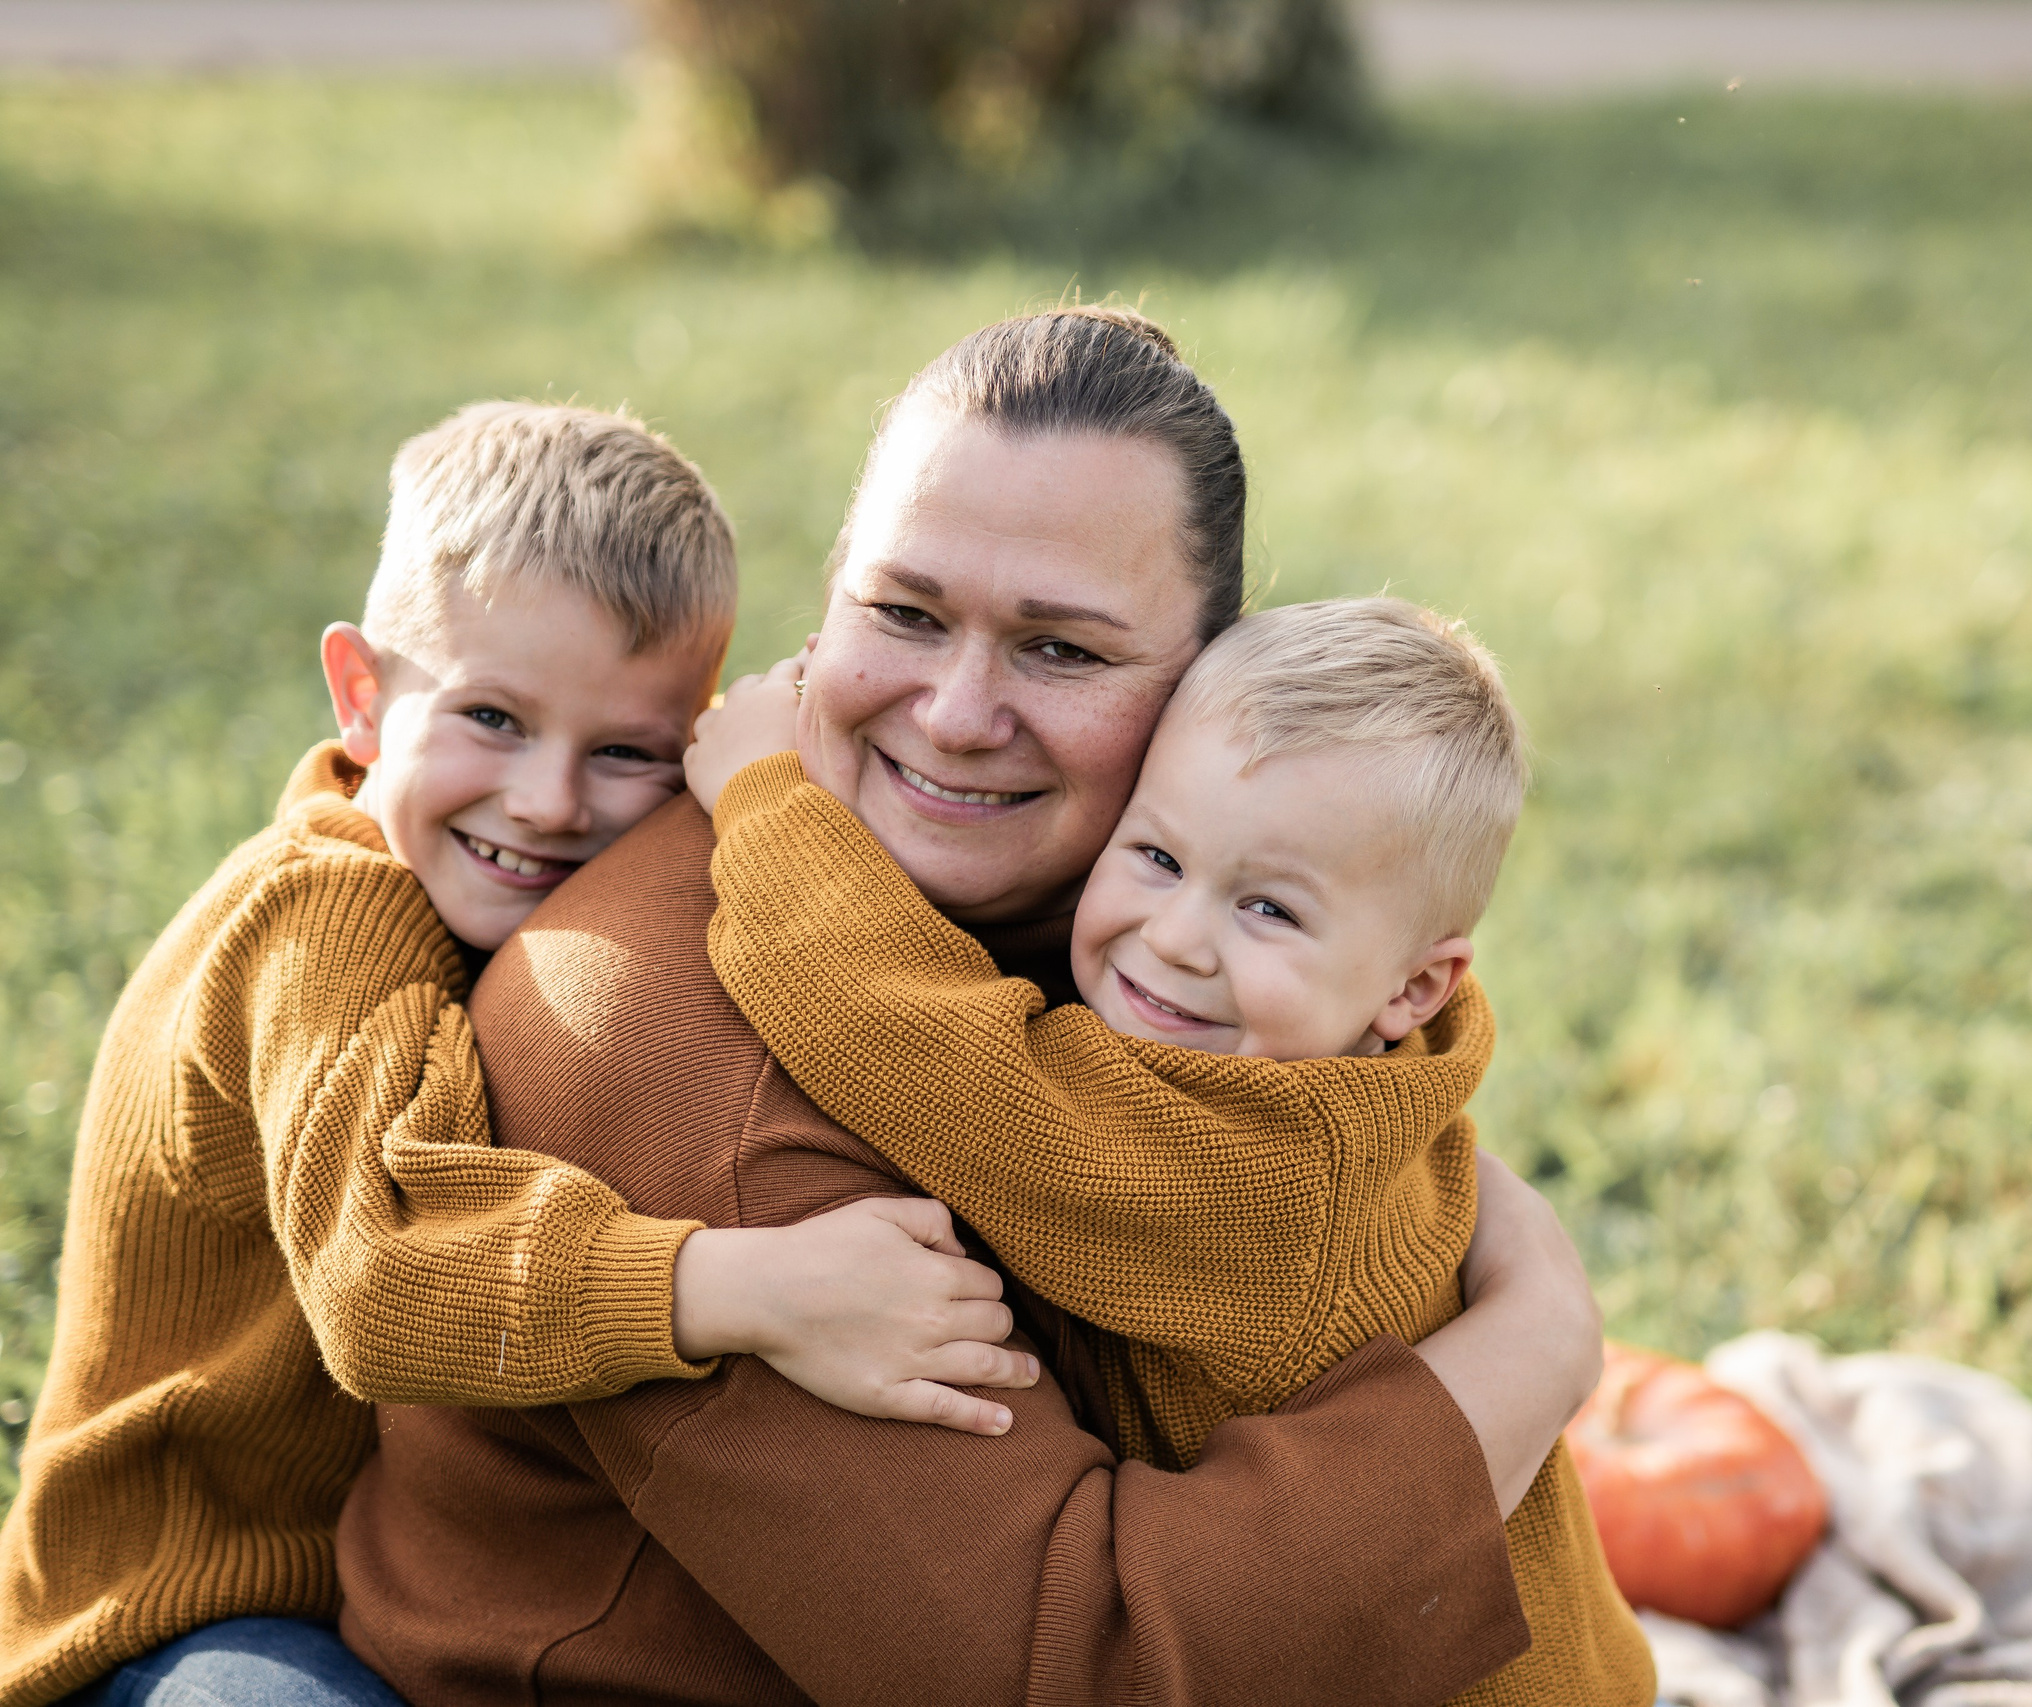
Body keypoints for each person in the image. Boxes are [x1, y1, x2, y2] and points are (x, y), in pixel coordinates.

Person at [334, 307, 1608, 1705]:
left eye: (1061, 648)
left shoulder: (1140, 934)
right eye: (904, 611)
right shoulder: (699, 1071)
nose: (953, 712)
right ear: (827, 604)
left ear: (1202, 684)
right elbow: (1082, 1669)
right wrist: (1534, 1347)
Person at [3, 404, 1031, 1707]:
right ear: (363, 693)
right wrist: (754, 1284)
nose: (549, 800)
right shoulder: (323, 911)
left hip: (374, 1591)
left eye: (624, 752)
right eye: (492, 716)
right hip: (182, 1607)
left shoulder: (467, 893)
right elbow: (378, 1276)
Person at [687, 594, 1659, 1706]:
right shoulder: (1360, 1084)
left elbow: (918, 1044)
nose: (1176, 935)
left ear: (1413, 986)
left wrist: (765, 797)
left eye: (1271, 912)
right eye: (1154, 854)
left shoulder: (1248, 1174)